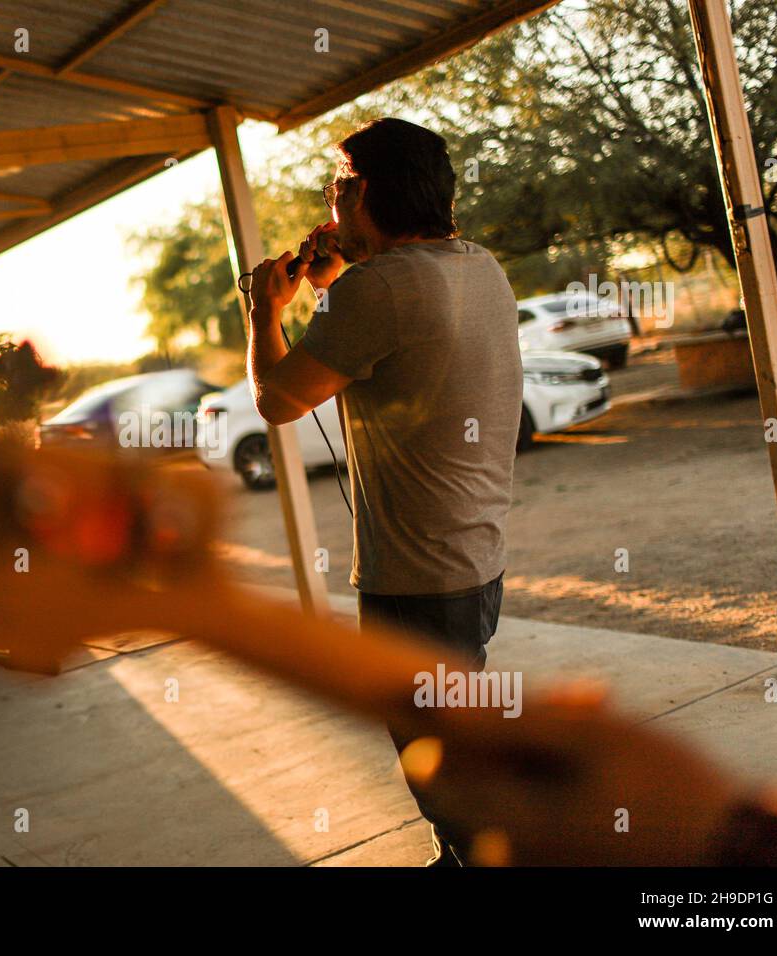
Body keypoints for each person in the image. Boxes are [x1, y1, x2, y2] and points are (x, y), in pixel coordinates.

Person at [243, 118, 522, 866]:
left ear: (364, 192)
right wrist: (333, 289)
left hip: (416, 582)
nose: (328, 206)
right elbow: (384, 343)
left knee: (436, 762)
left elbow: (277, 399)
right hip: (475, 561)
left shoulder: (379, 289)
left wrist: (263, 309)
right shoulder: (480, 268)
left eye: (335, 187)